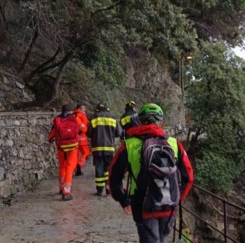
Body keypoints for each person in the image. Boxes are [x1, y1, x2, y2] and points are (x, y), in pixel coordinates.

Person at [108, 103, 194, 243]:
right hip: (168, 202)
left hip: (141, 203)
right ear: (161, 122)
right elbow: (188, 177)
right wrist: (176, 198)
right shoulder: (174, 143)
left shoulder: (129, 145)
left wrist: (124, 200)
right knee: (162, 238)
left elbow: (113, 176)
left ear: (140, 121)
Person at [48, 104, 86, 201]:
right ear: (70, 111)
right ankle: (66, 192)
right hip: (73, 147)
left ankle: (61, 188)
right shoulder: (74, 118)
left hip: (61, 147)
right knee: (69, 167)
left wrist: (52, 140)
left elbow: (51, 135)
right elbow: (84, 128)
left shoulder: (57, 119)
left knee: (62, 166)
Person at [87, 103, 122, 196]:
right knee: (108, 168)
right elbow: (118, 133)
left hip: (97, 147)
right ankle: (108, 188)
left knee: (99, 167)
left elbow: (89, 133)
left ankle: (99, 189)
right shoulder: (112, 117)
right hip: (109, 147)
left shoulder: (94, 117)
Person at [74, 103, 90, 176]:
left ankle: (77, 169)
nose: (85, 109)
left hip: (75, 138)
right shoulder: (82, 115)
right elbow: (84, 127)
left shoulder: (73, 115)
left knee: (76, 155)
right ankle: (80, 165)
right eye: (83, 108)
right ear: (79, 108)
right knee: (86, 153)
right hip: (83, 138)